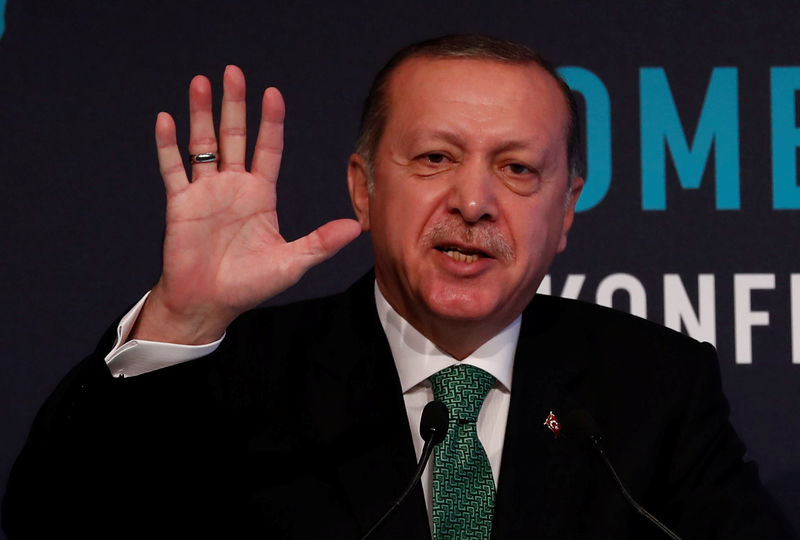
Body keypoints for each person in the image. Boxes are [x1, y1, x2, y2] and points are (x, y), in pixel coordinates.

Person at [2, 34, 795, 539]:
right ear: (362, 187)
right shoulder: (240, 372)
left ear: (566, 212)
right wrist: (182, 316)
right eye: (434, 158)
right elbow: (49, 522)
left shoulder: (651, 387)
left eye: (517, 169)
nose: (475, 202)